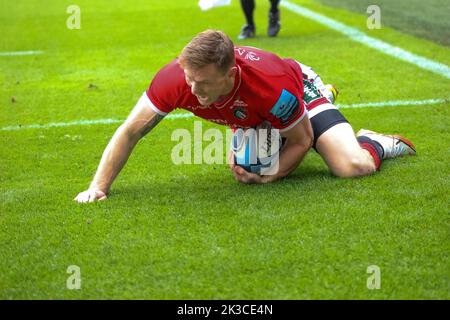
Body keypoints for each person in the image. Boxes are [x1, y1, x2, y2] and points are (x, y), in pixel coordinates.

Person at [74, 30, 416, 203]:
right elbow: (130, 131)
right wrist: (97, 188)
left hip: (299, 91)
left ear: (231, 76)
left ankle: (373, 140)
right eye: (189, 78)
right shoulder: (177, 79)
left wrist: (272, 178)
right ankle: (289, 120)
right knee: (250, 161)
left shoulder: (274, 87)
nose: (192, 89)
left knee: (350, 167)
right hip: (254, 112)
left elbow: (303, 140)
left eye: (203, 83)